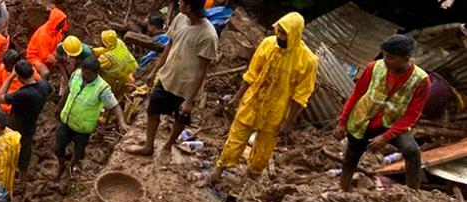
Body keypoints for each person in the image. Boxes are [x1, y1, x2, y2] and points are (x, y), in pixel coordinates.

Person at [205, 13, 316, 186]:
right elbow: (251, 74)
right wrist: (236, 98)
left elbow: (301, 95)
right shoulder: (267, 44)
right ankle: (218, 171)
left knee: (264, 149)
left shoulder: (307, 61)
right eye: (280, 32)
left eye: (285, 34)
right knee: (236, 137)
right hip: (253, 101)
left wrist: (288, 121)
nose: (280, 36)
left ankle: (251, 177)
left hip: (276, 111)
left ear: (295, 34)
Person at [337, 34, 430, 191]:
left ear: (406, 58)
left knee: (412, 151)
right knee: (351, 157)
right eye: (385, 55)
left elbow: (412, 115)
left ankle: (413, 193)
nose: (385, 60)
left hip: (393, 123)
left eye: (391, 57)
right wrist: (342, 121)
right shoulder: (373, 67)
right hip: (362, 120)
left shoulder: (421, 80)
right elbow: (356, 94)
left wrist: (386, 137)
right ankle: (344, 189)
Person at [128, 0, 218, 158]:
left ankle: (168, 146)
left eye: (182, 2)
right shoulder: (180, 19)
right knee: (152, 110)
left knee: (181, 118)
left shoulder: (208, 36)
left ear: (189, 7)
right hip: (168, 76)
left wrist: (189, 100)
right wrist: (155, 70)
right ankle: (148, 146)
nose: (178, 3)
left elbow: (202, 70)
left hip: (186, 86)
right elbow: (170, 45)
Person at [56, 57, 127, 178]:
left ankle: (71, 166)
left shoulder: (102, 88)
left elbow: (115, 106)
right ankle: (61, 165)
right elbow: (69, 90)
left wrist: (122, 123)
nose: (84, 74)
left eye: (87, 73)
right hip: (66, 120)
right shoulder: (77, 74)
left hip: (83, 129)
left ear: (96, 73)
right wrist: (59, 108)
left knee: (78, 152)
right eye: (83, 70)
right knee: (58, 148)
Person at [0, 60, 51, 178]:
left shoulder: (23, 94)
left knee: (11, 149)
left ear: (19, 77)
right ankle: (23, 177)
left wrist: (10, 77)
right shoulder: (43, 85)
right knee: (26, 150)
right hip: (31, 123)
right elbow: (47, 79)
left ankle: (10, 171)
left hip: (17, 125)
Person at [24, 7, 68, 78]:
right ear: (56, 22)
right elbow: (44, 56)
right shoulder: (42, 35)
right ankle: (41, 86)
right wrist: (56, 61)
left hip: (49, 53)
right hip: (35, 57)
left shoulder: (57, 31)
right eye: (61, 22)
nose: (63, 24)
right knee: (45, 72)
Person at [94, 30, 138, 99]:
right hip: (133, 72)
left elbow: (93, 65)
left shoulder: (106, 58)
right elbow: (107, 49)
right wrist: (93, 51)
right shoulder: (119, 42)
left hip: (120, 82)